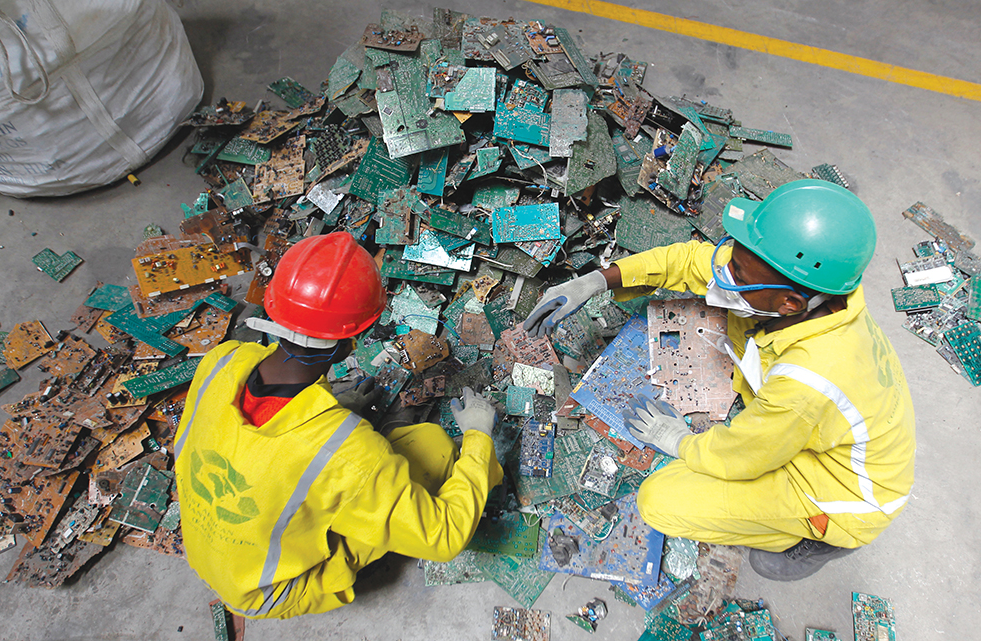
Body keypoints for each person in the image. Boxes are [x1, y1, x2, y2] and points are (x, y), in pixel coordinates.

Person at [524, 179, 915, 581]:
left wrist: (676, 439)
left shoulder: (808, 379)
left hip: (846, 493)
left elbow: (740, 455)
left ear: (789, 303)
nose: (723, 272)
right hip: (825, 437)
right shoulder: (813, 290)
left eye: (738, 271)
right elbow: (688, 261)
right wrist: (596, 281)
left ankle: (824, 536)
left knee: (659, 500)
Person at [175, 232, 503, 618]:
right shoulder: (347, 453)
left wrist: (337, 405)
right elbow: (444, 537)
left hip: (205, 546)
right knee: (431, 446)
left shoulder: (223, 360)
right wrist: (479, 436)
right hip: (267, 589)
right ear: (350, 342)